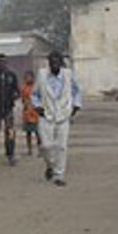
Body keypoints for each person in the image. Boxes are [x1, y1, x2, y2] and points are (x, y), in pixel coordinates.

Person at [32, 51, 82, 186]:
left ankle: (59, 175)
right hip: (46, 114)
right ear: (48, 63)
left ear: (60, 63)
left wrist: (76, 106)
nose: (54, 64)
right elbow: (35, 94)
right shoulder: (42, 75)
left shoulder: (68, 75)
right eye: (51, 62)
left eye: (56, 61)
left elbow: (77, 91)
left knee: (61, 147)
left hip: (63, 115)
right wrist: (37, 107)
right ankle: (50, 165)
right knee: (46, 146)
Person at [20, 71, 41, 156]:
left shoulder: (36, 88)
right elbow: (23, 99)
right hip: (27, 113)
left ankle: (40, 149)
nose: (28, 79)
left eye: (30, 77)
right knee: (28, 133)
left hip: (36, 113)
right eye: (27, 77)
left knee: (38, 132)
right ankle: (29, 150)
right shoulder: (24, 88)